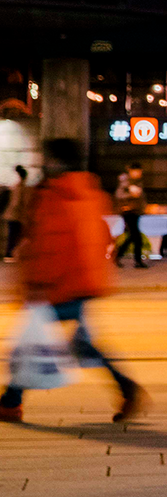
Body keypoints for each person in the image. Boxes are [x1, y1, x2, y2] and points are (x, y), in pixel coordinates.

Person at [1, 138, 149, 424]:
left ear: (56, 161)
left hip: (58, 285)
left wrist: (35, 286)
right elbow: (104, 237)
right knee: (78, 345)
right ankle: (126, 388)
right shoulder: (90, 191)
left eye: (47, 157)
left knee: (29, 345)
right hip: (84, 282)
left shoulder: (54, 194)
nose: (43, 162)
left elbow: (50, 245)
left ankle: (9, 402)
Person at [112, 162, 149, 268]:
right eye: (137, 171)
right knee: (136, 237)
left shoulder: (137, 181)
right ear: (131, 171)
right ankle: (137, 261)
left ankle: (117, 257)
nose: (139, 173)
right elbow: (119, 195)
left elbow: (141, 197)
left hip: (135, 211)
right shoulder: (126, 182)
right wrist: (130, 193)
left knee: (132, 236)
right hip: (128, 212)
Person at [4, 164, 27, 261]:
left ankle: (10, 254)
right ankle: (9, 254)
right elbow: (16, 203)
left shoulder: (17, 186)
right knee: (14, 235)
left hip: (13, 215)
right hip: (15, 215)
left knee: (13, 235)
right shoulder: (20, 187)